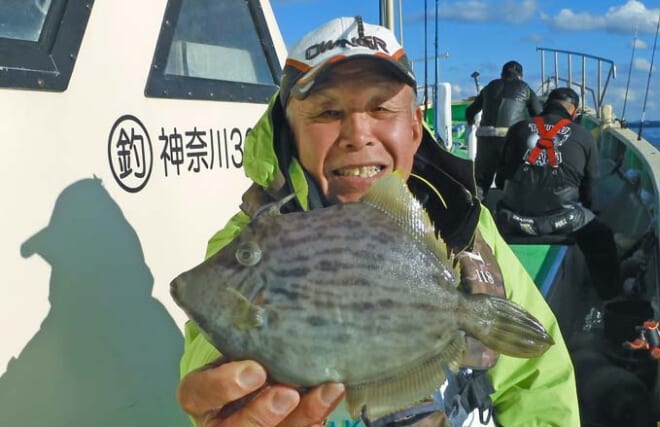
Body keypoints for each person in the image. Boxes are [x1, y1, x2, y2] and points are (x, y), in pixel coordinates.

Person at [176, 16, 579, 427]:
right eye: (328, 110)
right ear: (289, 133)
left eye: (381, 108)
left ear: (414, 130)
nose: (358, 134)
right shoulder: (252, 236)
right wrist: (230, 399)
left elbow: (538, 386)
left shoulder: (466, 225)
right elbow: (212, 350)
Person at [496, 87, 622, 300]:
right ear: (574, 112)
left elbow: (500, 180)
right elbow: (589, 188)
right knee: (601, 235)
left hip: (513, 220)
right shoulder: (583, 135)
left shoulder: (518, 129)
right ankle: (608, 296)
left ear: (546, 105)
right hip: (562, 220)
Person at [464, 61, 541, 200]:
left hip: (486, 138)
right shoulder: (526, 89)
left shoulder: (489, 87)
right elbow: (540, 115)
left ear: (502, 74)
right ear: (521, 76)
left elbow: (470, 111)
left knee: (480, 182)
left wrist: (471, 122)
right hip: (512, 139)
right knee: (511, 180)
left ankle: (474, 213)